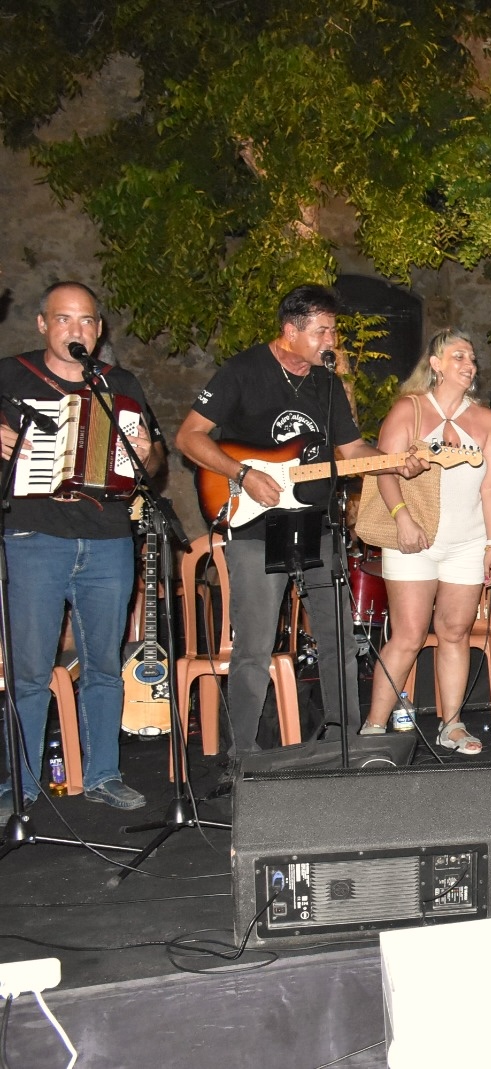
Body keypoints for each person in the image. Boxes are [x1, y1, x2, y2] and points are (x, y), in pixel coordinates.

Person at [176, 284, 425, 763]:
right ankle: (243, 754)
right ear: (290, 331)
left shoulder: (326, 384)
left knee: (338, 638)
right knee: (254, 644)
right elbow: (190, 437)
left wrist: (395, 463)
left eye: (333, 330)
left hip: (316, 523)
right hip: (254, 525)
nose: (331, 340)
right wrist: (242, 474)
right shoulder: (243, 370)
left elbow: (352, 451)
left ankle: (343, 742)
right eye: (322, 331)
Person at [0, 281, 163, 810]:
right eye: (64, 319)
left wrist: (146, 453)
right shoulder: (10, 376)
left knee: (103, 666)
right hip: (33, 537)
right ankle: (20, 785)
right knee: (30, 671)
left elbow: (153, 462)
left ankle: (103, 776)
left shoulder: (121, 383)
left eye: (87, 320)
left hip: (108, 539)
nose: (78, 330)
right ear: (43, 324)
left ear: (99, 328)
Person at [359, 329, 491, 754]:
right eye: (458, 355)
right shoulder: (410, 408)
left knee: (456, 631)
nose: (469, 363)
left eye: (472, 357)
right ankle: (373, 728)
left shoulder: (487, 420)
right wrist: (401, 520)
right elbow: (384, 469)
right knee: (408, 634)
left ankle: (452, 725)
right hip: (414, 539)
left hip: (467, 543)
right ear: (436, 364)